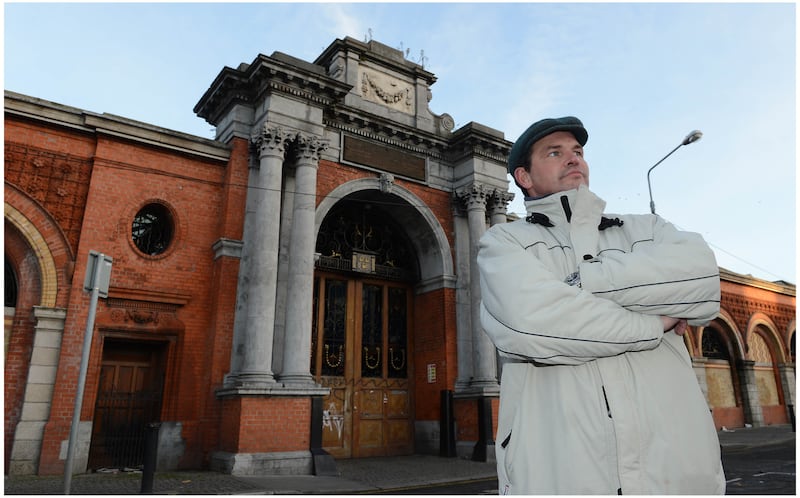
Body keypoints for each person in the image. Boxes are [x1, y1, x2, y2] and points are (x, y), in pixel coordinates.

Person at [477, 116, 725, 495]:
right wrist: (654, 321)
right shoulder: (506, 242)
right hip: (565, 473)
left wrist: (583, 283)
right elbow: (529, 325)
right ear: (524, 177)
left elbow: (703, 280)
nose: (573, 159)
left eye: (577, 151)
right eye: (555, 152)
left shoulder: (648, 229)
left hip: (675, 472)